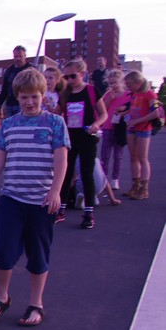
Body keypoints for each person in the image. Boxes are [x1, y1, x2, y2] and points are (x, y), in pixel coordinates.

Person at [0, 69, 69, 327]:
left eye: (34, 96)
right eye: (24, 97)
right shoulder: (9, 124)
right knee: (3, 249)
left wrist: (55, 191)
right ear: (17, 97)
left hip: (41, 202)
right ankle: (1, 297)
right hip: (12, 199)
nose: (29, 102)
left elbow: (61, 158)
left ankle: (36, 303)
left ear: (43, 95)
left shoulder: (54, 123)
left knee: (38, 253)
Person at [56, 59, 107, 228]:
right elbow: (56, 114)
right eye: (66, 77)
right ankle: (60, 209)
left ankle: (88, 212)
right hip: (69, 139)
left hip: (87, 137)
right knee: (66, 173)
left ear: (82, 74)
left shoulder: (91, 90)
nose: (69, 80)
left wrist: (96, 124)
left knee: (86, 174)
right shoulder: (65, 93)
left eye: (73, 76)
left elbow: (103, 114)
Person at [122, 70, 162, 200]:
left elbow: (155, 113)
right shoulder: (134, 94)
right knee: (133, 157)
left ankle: (144, 189)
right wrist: (124, 113)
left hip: (143, 129)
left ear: (138, 83)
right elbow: (134, 108)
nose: (128, 87)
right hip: (131, 128)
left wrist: (137, 121)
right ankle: (135, 185)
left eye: (130, 85)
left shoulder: (150, 94)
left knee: (142, 158)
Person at [99, 69, 129, 191]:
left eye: (115, 82)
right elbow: (102, 109)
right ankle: (103, 179)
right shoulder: (108, 94)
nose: (113, 85)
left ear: (121, 81)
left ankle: (115, 179)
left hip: (120, 128)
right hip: (107, 127)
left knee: (118, 155)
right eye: (111, 83)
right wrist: (109, 99)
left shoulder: (127, 94)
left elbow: (131, 108)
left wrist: (124, 109)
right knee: (105, 155)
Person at [0, 45, 34, 119]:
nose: (18, 58)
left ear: (25, 56)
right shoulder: (9, 71)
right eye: (16, 56)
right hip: (9, 104)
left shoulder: (30, 70)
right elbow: (4, 90)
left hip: (23, 104)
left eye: (20, 56)